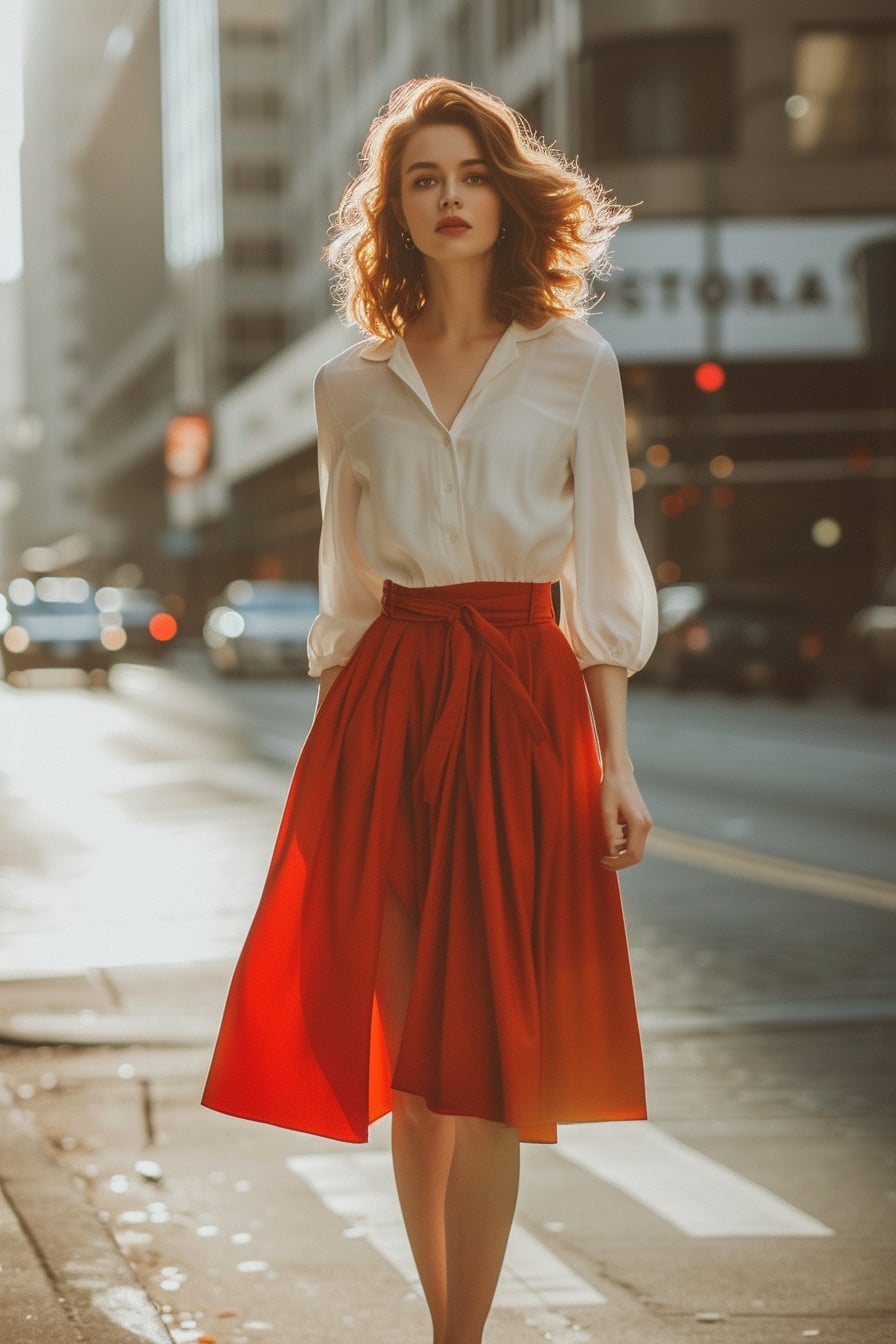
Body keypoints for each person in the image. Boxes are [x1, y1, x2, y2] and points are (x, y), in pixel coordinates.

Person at [202, 76, 658, 1344]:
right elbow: (344, 593)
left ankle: (464, 1333)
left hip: (521, 699)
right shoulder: (350, 385)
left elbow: (605, 569)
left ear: (504, 199)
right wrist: (331, 766)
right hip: (386, 706)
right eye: (421, 181)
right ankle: (445, 1328)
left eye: (467, 176)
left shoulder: (576, 363)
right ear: (393, 213)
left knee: (487, 1064)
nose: (448, 199)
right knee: (416, 1067)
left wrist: (615, 763)